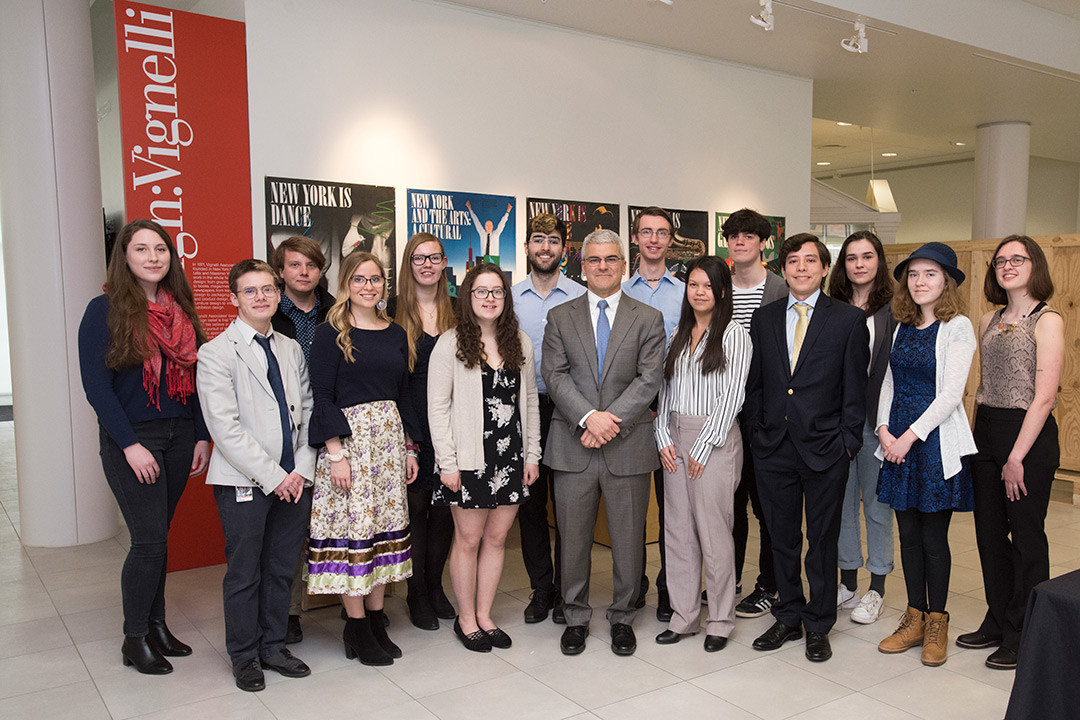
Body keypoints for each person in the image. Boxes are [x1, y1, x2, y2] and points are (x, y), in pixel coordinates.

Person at [77, 218, 210, 675]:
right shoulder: (106, 309)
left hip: (177, 436)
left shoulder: (181, 310)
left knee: (158, 537)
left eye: (160, 249)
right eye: (141, 249)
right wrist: (131, 444)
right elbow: (97, 387)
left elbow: (195, 382)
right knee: (149, 540)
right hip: (132, 439)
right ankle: (134, 638)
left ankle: (156, 626)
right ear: (125, 257)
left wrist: (199, 435)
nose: (153, 257)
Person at [744, 233, 869, 663]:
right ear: (782, 267)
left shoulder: (848, 320)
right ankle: (788, 615)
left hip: (826, 449)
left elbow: (857, 391)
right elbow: (755, 384)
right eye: (793, 261)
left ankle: (818, 623)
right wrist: (758, 432)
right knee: (781, 539)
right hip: (773, 447)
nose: (801, 268)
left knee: (821, 540)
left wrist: (848, 442)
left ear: (823, 268)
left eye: (810, 261)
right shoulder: (764, 319)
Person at [541, 229, 666, 657]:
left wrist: (608, 420)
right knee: (572, 540)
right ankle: (574, 616)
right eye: (594, 260)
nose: (603, 267)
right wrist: (589, 418)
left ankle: (623, 617)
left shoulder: (647, 318)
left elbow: (650, 378)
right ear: (582, 265)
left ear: (623, 264)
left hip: (627, 444)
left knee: (630, 543)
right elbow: (554, 375)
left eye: (611, 259)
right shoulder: (560, 316)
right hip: (573, 445)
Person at [197, 259, 315, 692]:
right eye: (251, 291)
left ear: (278, 294)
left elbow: (307, 411)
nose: (262, 297)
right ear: (234, 299)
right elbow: (224, 428)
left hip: (295, 480)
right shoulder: (215, 353)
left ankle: (273, 646)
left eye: (268, 289)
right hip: (244, 482)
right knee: (245, 572)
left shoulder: (290, 348)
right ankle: (245, 655)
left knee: (282, 567)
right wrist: (275, 476)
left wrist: (300, 470)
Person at [305, 251, 420, 666]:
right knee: (355, 537)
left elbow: (403, 393)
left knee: (382, 534)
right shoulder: (330, 332)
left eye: (375, 279)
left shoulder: (396, 332)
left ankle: (374, 619)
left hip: (388, 447)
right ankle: (354, 627)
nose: (368, 286)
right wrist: (335, 453)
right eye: (359, 279)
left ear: (383, 284)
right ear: (346, 285)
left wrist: (409, 447)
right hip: (349, 448)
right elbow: (321, 395)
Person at [428, 263, 541, 652]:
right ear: (467, 296)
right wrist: (448, 463)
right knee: (469, 538)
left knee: (496, 539)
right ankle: (466, 618)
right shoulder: (450, 343)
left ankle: (486, 615)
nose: (489, 298)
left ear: (506, 298)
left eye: (497, 291)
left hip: (511, 457)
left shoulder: (519, 343)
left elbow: (528, 402)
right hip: (468, 459)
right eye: (481, 291)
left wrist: (532, 454)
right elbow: (437, 408)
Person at [963, 235, 1063, 670]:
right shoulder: (988, 318)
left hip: (1028, 438)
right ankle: (999, 619)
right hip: (986, 430)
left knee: (1026, 537)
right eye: (1000, 261)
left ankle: (1026, 632)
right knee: (988, 536)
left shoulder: (1048, 319)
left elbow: (1044, 397)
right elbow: (986, 386)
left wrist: (1016, 457)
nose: (1006, 266)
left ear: (1033, 265)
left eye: (1016, 259)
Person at [875, 242, 976, 667]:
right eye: (913, 275)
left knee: (934, 539)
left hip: (932, 445)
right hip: (896, 443)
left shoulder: (959, 327)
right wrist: (883, 430)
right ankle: (913, 617)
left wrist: (908, 437)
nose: (919, 282)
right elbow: (888, 384)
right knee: (909, 536)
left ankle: (938, 621)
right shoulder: (902, 326)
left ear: (947, 281)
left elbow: (951, 394)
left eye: (930, 274)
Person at [653, 256, 751, 652]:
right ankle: (684, 616)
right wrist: (662, 436)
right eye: (693, 285)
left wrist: (705, 443)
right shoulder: (678, 332)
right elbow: (664, 391)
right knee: (678, 532)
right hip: (674, 435)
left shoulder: (734, 335)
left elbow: (734, 397)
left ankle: (721, 620)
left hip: (714, 439)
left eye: (707, 286)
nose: (699, 292)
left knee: (714, 534)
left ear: (721, 290)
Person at [511, 213, 585, 624]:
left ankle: (569, 590)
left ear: (563, 249)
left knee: (570, 504)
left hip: (568, 409)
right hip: (523, 409)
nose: (545, 247)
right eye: (538, 240)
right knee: (532, 506)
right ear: (527, 248)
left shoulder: (579, 296)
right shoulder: (509, 295)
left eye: (553, 241)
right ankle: (543, 589)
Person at [827, 231, 896, 625]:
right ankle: (847, 582)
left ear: (879, 261)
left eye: (867, 257)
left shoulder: (895, 310)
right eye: (851, 258)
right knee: (840, 506)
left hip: (877, 424)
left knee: (877, 507)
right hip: (837, 423)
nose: (859, 264)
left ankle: (877, 588)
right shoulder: (832, 306)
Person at [721, 208, 787, 619]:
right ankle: (731, 580)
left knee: (767, 505)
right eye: (733, 236)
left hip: (765, 414)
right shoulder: (717, 287)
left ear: (764, 243)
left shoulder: (780, 289)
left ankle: (770, 584)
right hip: (723, 412)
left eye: (749, 236)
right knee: (729, 502)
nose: (740, 241)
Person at [389, 232, 457, 630]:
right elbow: (391, 381)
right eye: (419, 258)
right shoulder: (393, 311)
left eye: (434, 257)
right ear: (408, 264)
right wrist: (407, 437)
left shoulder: (459, 310)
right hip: (409, 424)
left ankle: (435, 587)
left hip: (449, 427)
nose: (427, 264)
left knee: (445, 511)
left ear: (444, 263)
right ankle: (415, 594)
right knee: (415, 512)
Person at [269, 234, 335, 645]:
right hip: (287, 430)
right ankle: (288, 612)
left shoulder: (337, 310)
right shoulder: (270, 311)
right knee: (290, 529)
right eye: (295, 265)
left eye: (310, 265)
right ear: (281, 272)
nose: (304, 272)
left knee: (338, 520)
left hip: (331, 425)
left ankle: (352, 604)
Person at [623, 206, 684, 621]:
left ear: (669, 240)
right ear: (635, 237)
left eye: (661, 233)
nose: (654, 240)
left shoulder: (685, 292)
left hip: (671, 410)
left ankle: (668, 586)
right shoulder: (619, 291)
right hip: (628, 414)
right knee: (629, 508)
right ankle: (634, 582)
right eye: (646, 232)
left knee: (671, 507)